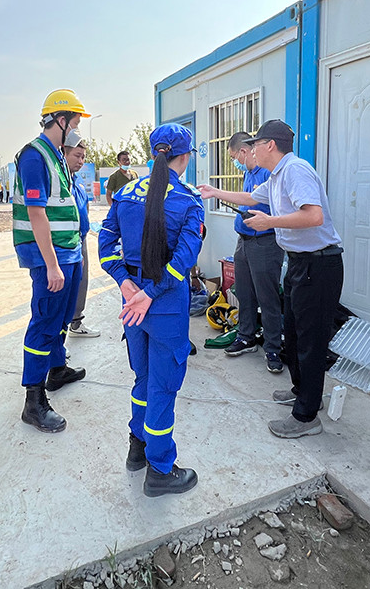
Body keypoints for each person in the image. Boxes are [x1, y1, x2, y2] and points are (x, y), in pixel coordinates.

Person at [198, 119, 343, 439]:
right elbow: (251, 199)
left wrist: (271, 222)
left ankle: (306, 417)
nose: (250, 151)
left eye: (255, 145)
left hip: (319, 265)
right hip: (300, 263)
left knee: (310, 341)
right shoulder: (276, 176)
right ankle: (303, 392)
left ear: (270, 145)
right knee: (295, 335)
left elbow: (314, 215)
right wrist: (214, 191)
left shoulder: (295, 170)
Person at [98, 123, 204, 497]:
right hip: (165, 304)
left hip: (132, 303)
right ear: (184, 157)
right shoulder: (189, 200)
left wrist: (126, 284)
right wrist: (151, 292)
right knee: (163, 384)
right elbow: (184, 258)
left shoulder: (125, 193)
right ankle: (160, 468)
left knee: (142, 377)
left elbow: (106, 242)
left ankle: (137, 447)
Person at [12, 89, 90, 433]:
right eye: (75, 122)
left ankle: (57, 369)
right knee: (44, 322)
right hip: (50, 257)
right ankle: (33, 400)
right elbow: (36, 214)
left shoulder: (57, 155)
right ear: (60, 120)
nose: (77, 129)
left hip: (68, 251)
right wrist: (53, 265)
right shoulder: (34, 156)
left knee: (61, 317)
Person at [222, 131, 285, 373]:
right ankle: (246, 336)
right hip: (244, 242)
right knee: (244, 293)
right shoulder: (248, 173)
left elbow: (278, 206)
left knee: (267, 298)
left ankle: (273, 348)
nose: (234, 162)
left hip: (265, 243)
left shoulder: (268, 173)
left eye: (233, 157)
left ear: (243, 151)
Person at [64, 129, 101, 339]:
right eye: (77, 156)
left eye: (83, 157)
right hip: (66, 242)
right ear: (64, 154)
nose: (81, 161)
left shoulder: (77, 181)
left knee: (81, 282)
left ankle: (76, 323)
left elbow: (84, 206)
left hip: (81, 238)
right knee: (65, 288)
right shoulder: (60, 182)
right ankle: (57, 340)